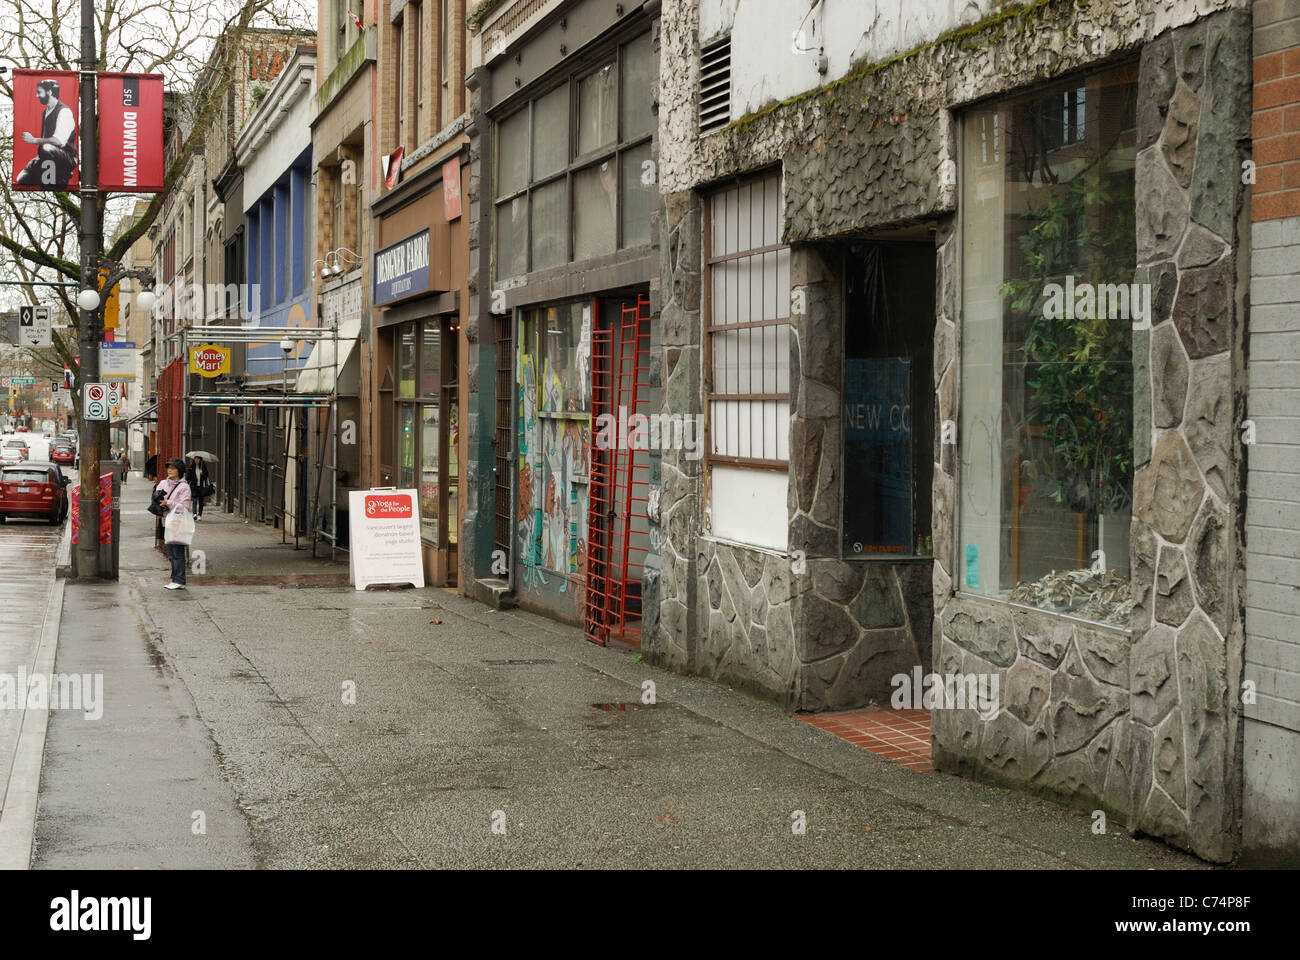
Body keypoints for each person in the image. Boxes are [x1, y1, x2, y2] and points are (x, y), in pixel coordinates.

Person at [16, 79, 78, 188]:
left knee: (47, 147)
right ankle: (47, 172)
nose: (37, 95)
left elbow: (58, 141)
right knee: (21, 178)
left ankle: (62, 173)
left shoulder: (64, 112)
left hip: (66, 156)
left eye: (39, 92)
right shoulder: (46, 111)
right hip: (46, 154)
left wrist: (34, 140)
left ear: (49, 92)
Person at [156, 458, 191, 590]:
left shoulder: (184, 487)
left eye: (173, 468)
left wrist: (169, 503)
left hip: (178, 522)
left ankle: (179, 579)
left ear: (179, 471)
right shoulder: (163, 483)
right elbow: (157, 496)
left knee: (177, 552)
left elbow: (185, 507)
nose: (169, 470)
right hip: (165, 522)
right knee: (170, 553)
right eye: (168, 467)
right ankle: (175, 579)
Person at [186, 456, 210, 520]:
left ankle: (199, 515)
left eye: (198, 459)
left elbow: (206, 476)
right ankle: (194, 514)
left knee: (201, 501)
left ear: (200, 459)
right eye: (195, 458)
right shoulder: (191, 467)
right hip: (194, 486)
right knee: (194, 500)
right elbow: (188, 478)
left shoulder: (203, 467)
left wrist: (202, 473)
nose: (196, 460)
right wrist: (186, 485)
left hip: (201, 486)